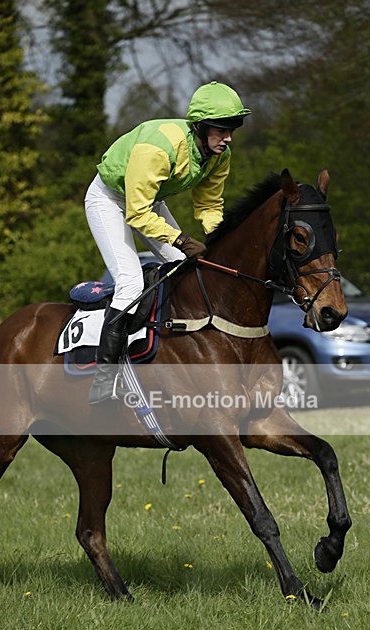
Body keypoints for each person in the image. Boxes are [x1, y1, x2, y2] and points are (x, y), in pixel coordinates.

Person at [84, 80, 251, 404]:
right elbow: (136, 213)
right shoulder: (160, 147)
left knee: (189, 268)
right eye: (221, 129)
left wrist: (219, 244)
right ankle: (103, 383)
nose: (228, 137)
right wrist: (182, 239)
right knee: (131, 283)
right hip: (108, 200)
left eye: (233, 128)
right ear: (201, 127)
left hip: (148, 202)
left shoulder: (218, 155)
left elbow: (208, 206)